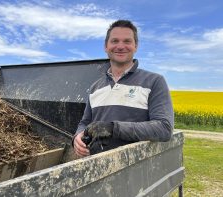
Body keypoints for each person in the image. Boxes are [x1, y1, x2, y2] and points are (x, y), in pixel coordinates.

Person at [73, 20, 174, 156]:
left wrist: (114, 128)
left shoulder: (154, 81)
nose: (120, 46)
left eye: (127, 41)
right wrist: (77, 137)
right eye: (115, 41)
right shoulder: (95, 87)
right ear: (106, 46)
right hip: (95, 165)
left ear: (135, 46)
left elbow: (164, 128)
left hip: (134, 168)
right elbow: (85, 122)